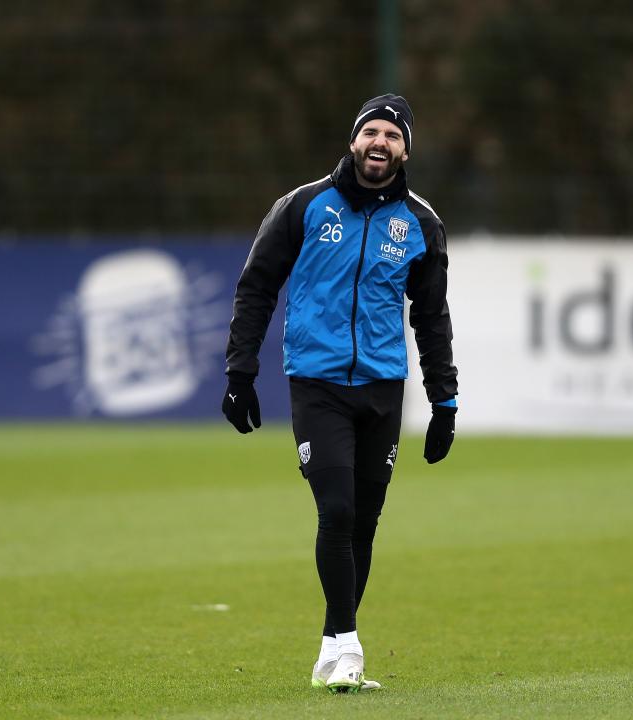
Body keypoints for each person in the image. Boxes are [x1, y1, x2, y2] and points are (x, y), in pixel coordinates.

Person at [221, 93, 458, 693]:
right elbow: (256, 288)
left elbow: (431, 318)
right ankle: (350, 646)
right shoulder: (303, 206)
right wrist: (240, 373)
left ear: (406, 149)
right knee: (338, 509)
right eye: (371, 132)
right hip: (317, 383)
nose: (380, 143)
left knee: (365, 525)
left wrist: (444, 401)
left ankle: (333, 645)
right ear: (354, 140)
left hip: (384, 388)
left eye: (393, 136)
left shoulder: (421, 223)